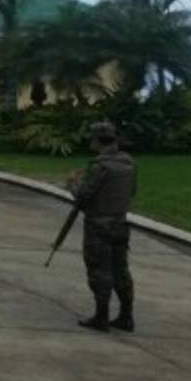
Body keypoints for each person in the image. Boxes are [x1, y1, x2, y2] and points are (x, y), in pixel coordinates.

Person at [67, 121, 137, 333]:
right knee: (121, 270)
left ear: (97, 140)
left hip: (98, 225)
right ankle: (126, 316)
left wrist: (72, 182)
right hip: (120, 223)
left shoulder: (99, 166)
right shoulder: (129, 164)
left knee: (99, 270)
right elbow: (132, 191)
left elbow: (83, 196)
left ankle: (102, 316)